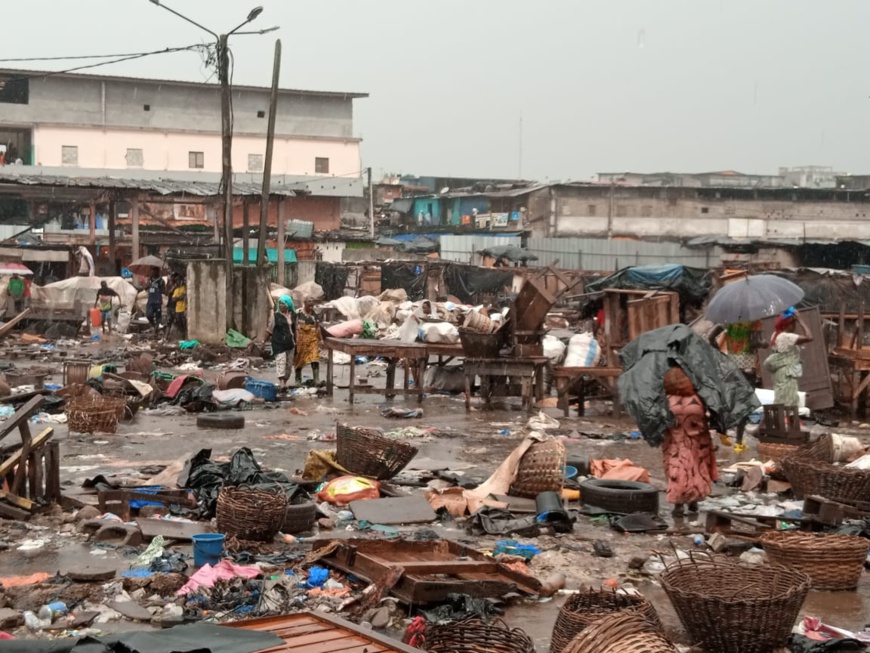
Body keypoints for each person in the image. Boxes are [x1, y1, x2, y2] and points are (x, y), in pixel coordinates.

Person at [662, 366, 718, 518]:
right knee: (696, 467)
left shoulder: (666, 401)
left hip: (674, 441)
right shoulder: (698, 399)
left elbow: (662, 424)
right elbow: (705, 418)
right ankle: (694, 501)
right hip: (695, 440)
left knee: (676, 467)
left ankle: (678, 504)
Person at [764, 307, 812, 409]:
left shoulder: (775, 335)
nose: (795, 326)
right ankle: (784, 422)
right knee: (789, 402)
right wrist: (800, 319)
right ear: (789, 325)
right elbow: (809, 337)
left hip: (780, 374)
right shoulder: (786, 337)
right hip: (787, 374)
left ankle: (782, 421)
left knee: (782, 399)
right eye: (794, 323)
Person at [267, 295, 296, 391]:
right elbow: (269, 330)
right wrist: (263, 342)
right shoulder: (275, 316)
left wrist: (297, 342)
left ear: (288, 304)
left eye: (284, 303)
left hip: (290, 344)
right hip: (278, 343)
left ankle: (284, 383)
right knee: (281, 363)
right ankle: (282, 384)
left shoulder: (293, 315)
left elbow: (296, 329)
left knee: (288, 367)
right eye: (280, 303)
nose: (282, 305)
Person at [295, 297, 321, 386]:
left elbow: (318, 327)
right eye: (309, 302)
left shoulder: (315, 314)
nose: (311, 305)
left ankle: (316, 379)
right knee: (299, 360)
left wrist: (320, 340)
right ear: (304, 303)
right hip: (301, 339)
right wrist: (295, 339)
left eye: (312, 303)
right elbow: (294, 327)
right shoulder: (298, 313)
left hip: (312, 339)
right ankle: (297, 380)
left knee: (315, 358)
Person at [145, 267, 165, 333]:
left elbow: (163, 290)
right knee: (148, 315)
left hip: (157, 301)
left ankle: (156, 330)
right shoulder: (150, 280)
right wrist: (149, 282)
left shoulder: (161, 280)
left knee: (158, 317)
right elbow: (145, 288)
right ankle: (154, 326)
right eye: (152, 271)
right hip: (150, 300)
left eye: (154, 271)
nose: (152, 272)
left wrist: (160, 285)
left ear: (157, 272)